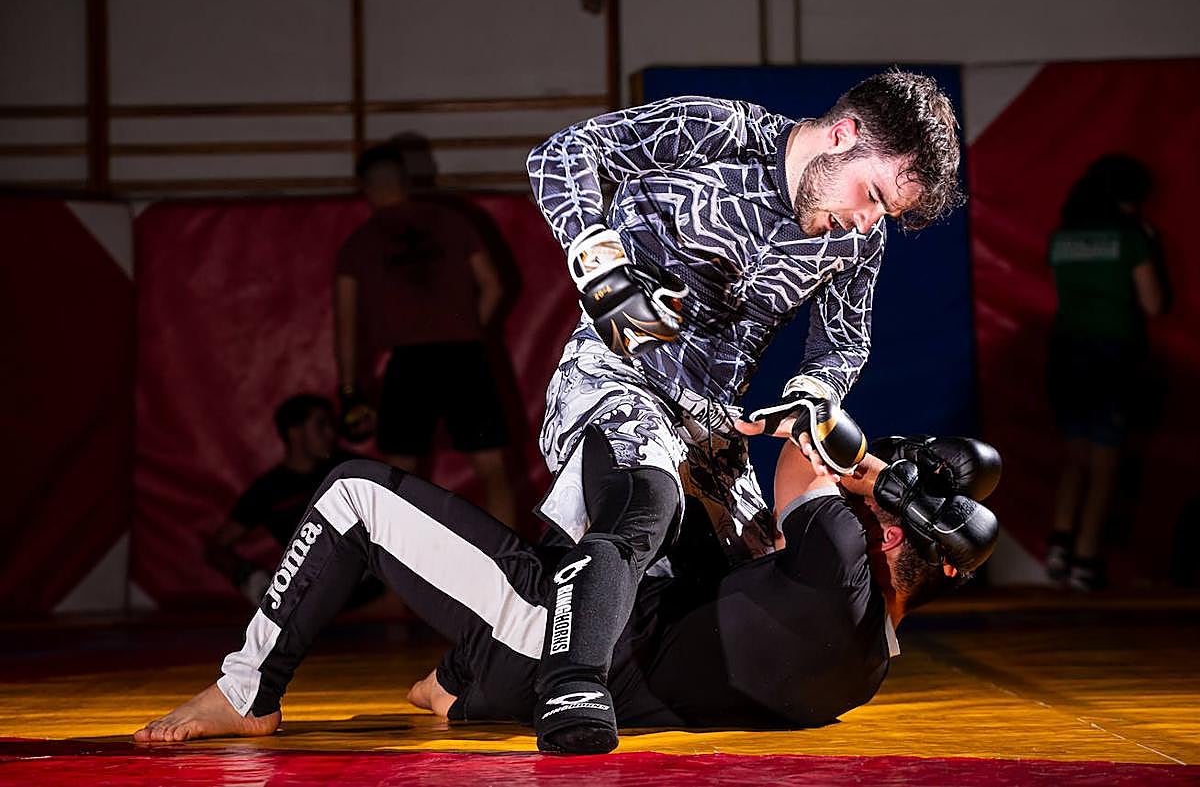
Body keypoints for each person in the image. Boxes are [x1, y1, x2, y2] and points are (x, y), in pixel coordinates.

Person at [523, 72, 963, 749]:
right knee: (650, 494)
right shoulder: (720, 130)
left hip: (713, 424)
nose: (869, 219)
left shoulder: (859, 240)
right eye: (872, 194)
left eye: (887, 214)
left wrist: (813, 395)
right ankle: (570, 687)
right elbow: (560, 155)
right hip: (618, 375)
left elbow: (844, 345)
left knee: (749, 582)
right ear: (842, 135)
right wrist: (600, 264)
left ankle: (503, 670)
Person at [132, 427, 999, 748]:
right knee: (654, 511)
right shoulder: (865, 665)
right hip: (611, 671)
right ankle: (460, 682)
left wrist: (886, 471)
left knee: (353, 492)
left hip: (566, 632)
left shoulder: (844, 554)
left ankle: (248, 692)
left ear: (889, 531)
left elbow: (808, 449)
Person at [334, 140, 517, 528]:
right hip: (464, 355)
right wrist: (467, 329)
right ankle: (515, 580)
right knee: (492, 468)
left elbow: (346, 325)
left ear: (364, 188)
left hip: (410, 364)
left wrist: (349, 390)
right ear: (408, 180)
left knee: (398, 478)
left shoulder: (359, 244)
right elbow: (495, 286)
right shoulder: (452, 221)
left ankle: (400, 587)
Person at [1044, 154, 1166, 591]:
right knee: (1105, 462)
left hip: (1067, 354)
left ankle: (1058, 548)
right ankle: (1086, 560)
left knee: (1075, 456)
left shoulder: (1062, 238)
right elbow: (1153, 303)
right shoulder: (1131, 237)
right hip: (1113, 356)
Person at [205, 394, 383, 608]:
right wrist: (252, 579)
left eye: (331, 425)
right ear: (294, 432)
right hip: (309, 598)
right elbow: (216, 548)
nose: (330, 433)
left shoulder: (349, 468)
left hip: (373, 587)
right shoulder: (268, 489)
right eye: (321, 425)